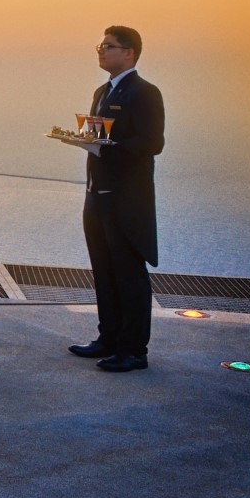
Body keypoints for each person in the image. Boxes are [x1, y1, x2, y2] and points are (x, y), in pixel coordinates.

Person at [69, 26, 165, 372]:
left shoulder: (144, 92)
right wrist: (87, 141)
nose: (101, 50)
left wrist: (109, 148)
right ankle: (108, 338)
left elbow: (153, 143)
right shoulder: (102, 92)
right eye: (100, 45)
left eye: (108, 46)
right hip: (97, 195)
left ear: (129, 52)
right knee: (104, 271)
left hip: (126, 201)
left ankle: (134, 350)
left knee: (128, 275)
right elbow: (97, 139)